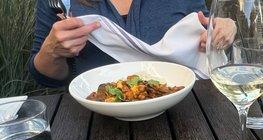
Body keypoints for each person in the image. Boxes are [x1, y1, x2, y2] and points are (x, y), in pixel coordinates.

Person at [29, 0, 235, 87]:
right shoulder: (59, 2)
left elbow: (207, 28)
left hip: (185, 113)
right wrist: (52, 51)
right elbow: (44, 76)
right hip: (97, 122)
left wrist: (223, 29)